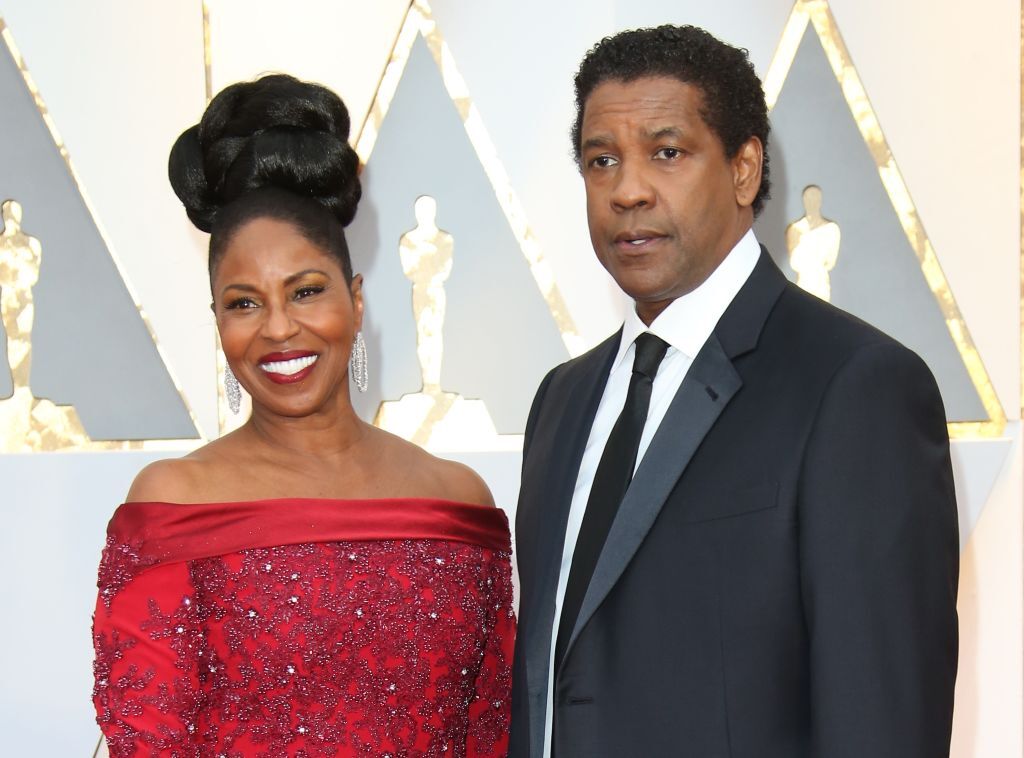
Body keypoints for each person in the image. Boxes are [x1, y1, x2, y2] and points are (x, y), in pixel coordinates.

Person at [510, 25, 958, 758]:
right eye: (601, 161)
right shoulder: (562, 401)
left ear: (745, 169)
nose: (627, 190)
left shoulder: (856, 386)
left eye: (667, 152)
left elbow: (881, 718)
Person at [91, 74, 514, 757]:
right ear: (217, 322)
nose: (279, 329)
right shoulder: (173, 503)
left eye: (306, 291)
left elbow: (491, 734)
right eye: (244, 302)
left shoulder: (457, 499)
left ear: (355, 298)